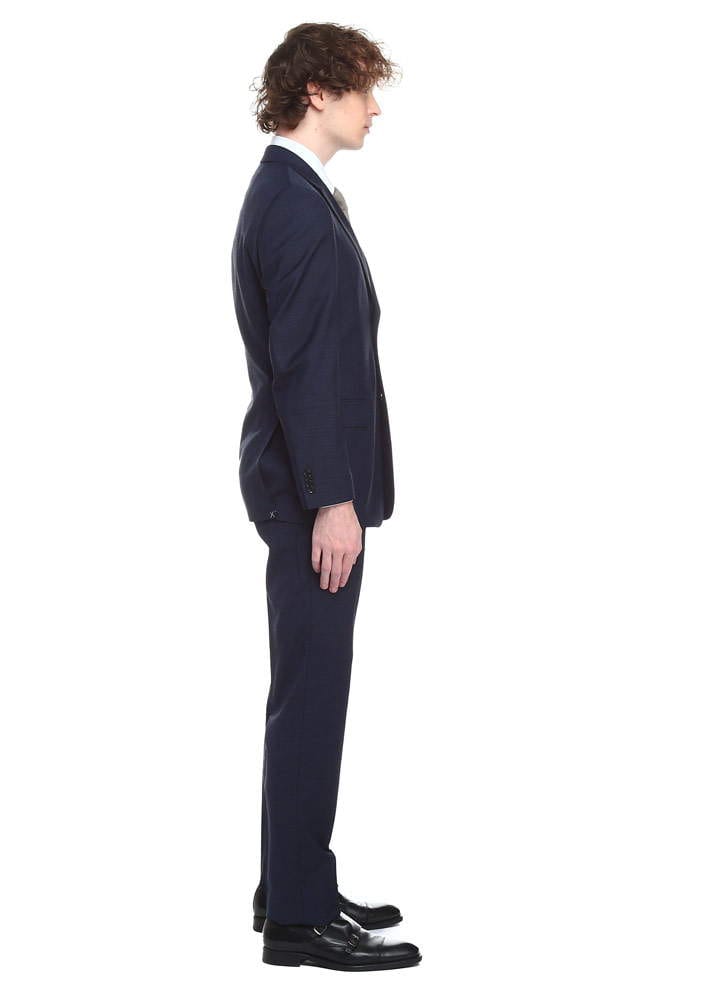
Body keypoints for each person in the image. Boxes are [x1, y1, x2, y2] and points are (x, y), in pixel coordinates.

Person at [230, 22, 421, 971]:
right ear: (317, 92)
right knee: (311, 700)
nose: (375, 108)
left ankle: (292, 883)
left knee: (305, 693)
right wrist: (332, 502)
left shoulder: (294, 193)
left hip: (308, 488)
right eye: (362, 90)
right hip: (312, 500)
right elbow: (306, 369)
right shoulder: (295, 205)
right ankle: (298, 922)